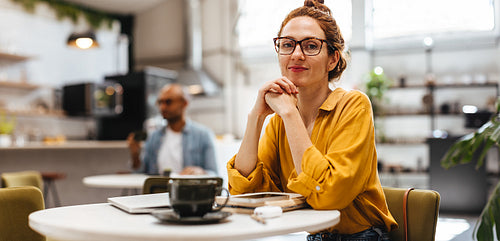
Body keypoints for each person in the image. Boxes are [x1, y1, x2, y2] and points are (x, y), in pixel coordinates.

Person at [227, 0, 397, 240]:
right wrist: (256, 116)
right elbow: (247, 195)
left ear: (332, 59)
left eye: (310, 46)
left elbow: (329, 196)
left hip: (364, 236)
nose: (296, 54)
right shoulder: (277, 122)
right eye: (287, 44)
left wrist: (289, 113)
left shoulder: (354, 105)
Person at [127, 83, 218, 176]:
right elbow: (140, 173)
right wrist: (135, 155)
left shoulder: (202, 135)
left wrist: (201, 172)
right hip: (158, 190)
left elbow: (214, 174)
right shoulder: (153, 136)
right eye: (160, 102)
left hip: (189, 190)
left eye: (168, 102)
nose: (162, 107)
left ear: (184, 103)